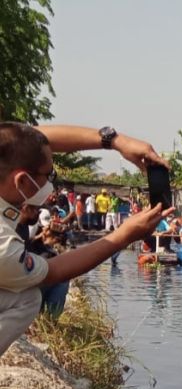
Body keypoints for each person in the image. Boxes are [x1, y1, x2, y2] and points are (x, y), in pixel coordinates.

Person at [0, 122, 171, 359]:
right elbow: (51, 272)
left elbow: (29, 140)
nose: (51, 183)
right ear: (21, 182)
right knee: (26, 299)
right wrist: (124, 235)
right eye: (48, 174)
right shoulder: (4, 246)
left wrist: (116, 142)